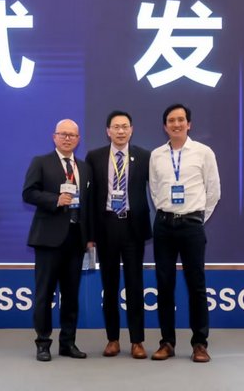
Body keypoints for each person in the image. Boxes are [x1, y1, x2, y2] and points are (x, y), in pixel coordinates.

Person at [149, 104, 221, 363]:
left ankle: (200, 344)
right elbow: (155, 190)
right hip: (163, 225)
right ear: (165, 126)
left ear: (189, 124)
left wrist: (196, 218)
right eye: (171, 120)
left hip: (191, 226)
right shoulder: (157, 155)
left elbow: (213, 192)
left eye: (181, 120)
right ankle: (167, 342)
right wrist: (169, 214)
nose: (176, 124)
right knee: (164, 285)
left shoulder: (203, 152)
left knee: (196, 286)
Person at [22, 119, 94, 362]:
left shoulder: (84, 168)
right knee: (44, 294)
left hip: (76, 240)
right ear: (54, 137)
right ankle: (43, 343)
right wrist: (55, 199)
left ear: (78, 140)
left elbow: (89, 205)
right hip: (48, 240)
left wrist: (90, 237)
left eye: (72, 135)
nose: (67, 138)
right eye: (63, 134)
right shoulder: (41, 162)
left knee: (71, 296)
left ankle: (68, 343)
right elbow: (28, 193)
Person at [85, 111, 151, 359]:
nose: (120, 131)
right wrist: (90, 233)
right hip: (106, 228)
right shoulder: (95, 157)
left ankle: (137, 341)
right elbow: (90, 198)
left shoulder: (144, 156)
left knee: (135, 285)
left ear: (131, 130)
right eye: (116, 127)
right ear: (108, 131)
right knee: (109, 286)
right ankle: (112, 339)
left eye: (125, 126)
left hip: (133, 228)